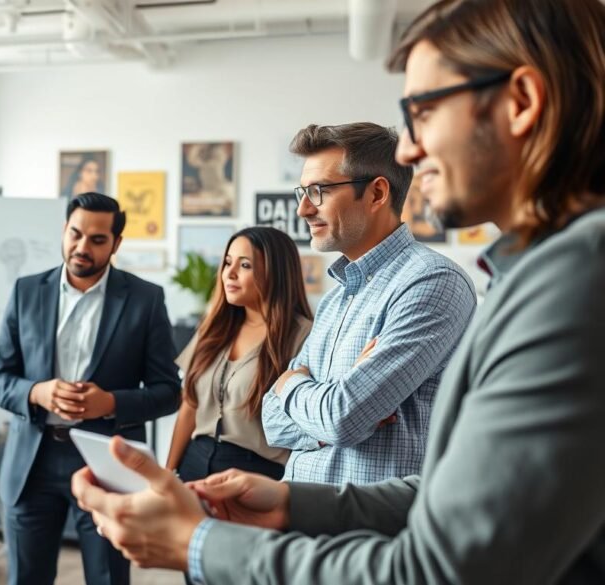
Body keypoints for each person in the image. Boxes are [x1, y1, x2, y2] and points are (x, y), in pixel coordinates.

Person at [71, 1, 605, 583]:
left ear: (522, 102)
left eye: (423, 112)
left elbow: (442, 561)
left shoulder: (571, 279)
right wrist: (296, 499)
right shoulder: (525, 274)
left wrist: (199, 544)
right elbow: (446, 488)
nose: (407, 150)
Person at [257, 121, 476, 485]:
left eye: (318, 191)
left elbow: (345, 417)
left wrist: (289, 385)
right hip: (306, 523)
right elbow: (272, 422)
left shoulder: (432, 282)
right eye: (303, 192)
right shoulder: (335, 297)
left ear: (376, 194)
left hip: (370, 533)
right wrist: (327, 408)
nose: (303, 211)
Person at [0, 192, 182, 585]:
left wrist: (110, 403)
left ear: (116, 243)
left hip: (106, 463)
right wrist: (37, 393)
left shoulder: (145, 300)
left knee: (107, 578)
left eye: (97, 239)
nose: (81, 247)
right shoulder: (27, 291)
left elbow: (168, 391)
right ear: (64, 230)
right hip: (33, 462)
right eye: (75, 234)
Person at [166, 227, 313, 485]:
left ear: (275, 272)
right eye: (227, 263)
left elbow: (313, 419)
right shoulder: (213, 328)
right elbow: (189, 406)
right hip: (194, 463)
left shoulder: (304, 337)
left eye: (245, 265)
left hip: (256, 475)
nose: (229, 274)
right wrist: (167, 475)